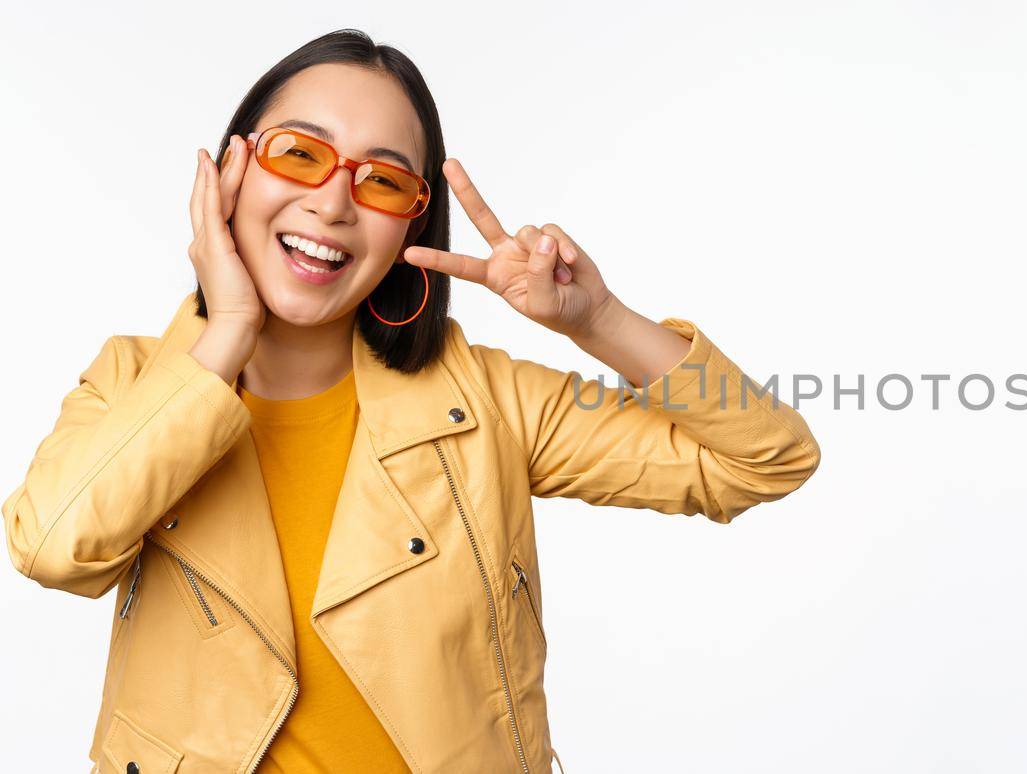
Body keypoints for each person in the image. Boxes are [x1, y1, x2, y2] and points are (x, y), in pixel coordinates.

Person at [2, 29, 820, 774]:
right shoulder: (133, 382)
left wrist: (599, 319)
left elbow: (764, 456)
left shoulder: (486, 401)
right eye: (299, 154)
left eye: (384, 179)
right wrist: (228, 335)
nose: (332, 203)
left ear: (412, 225)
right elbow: (51, 548)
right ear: (229, 169)